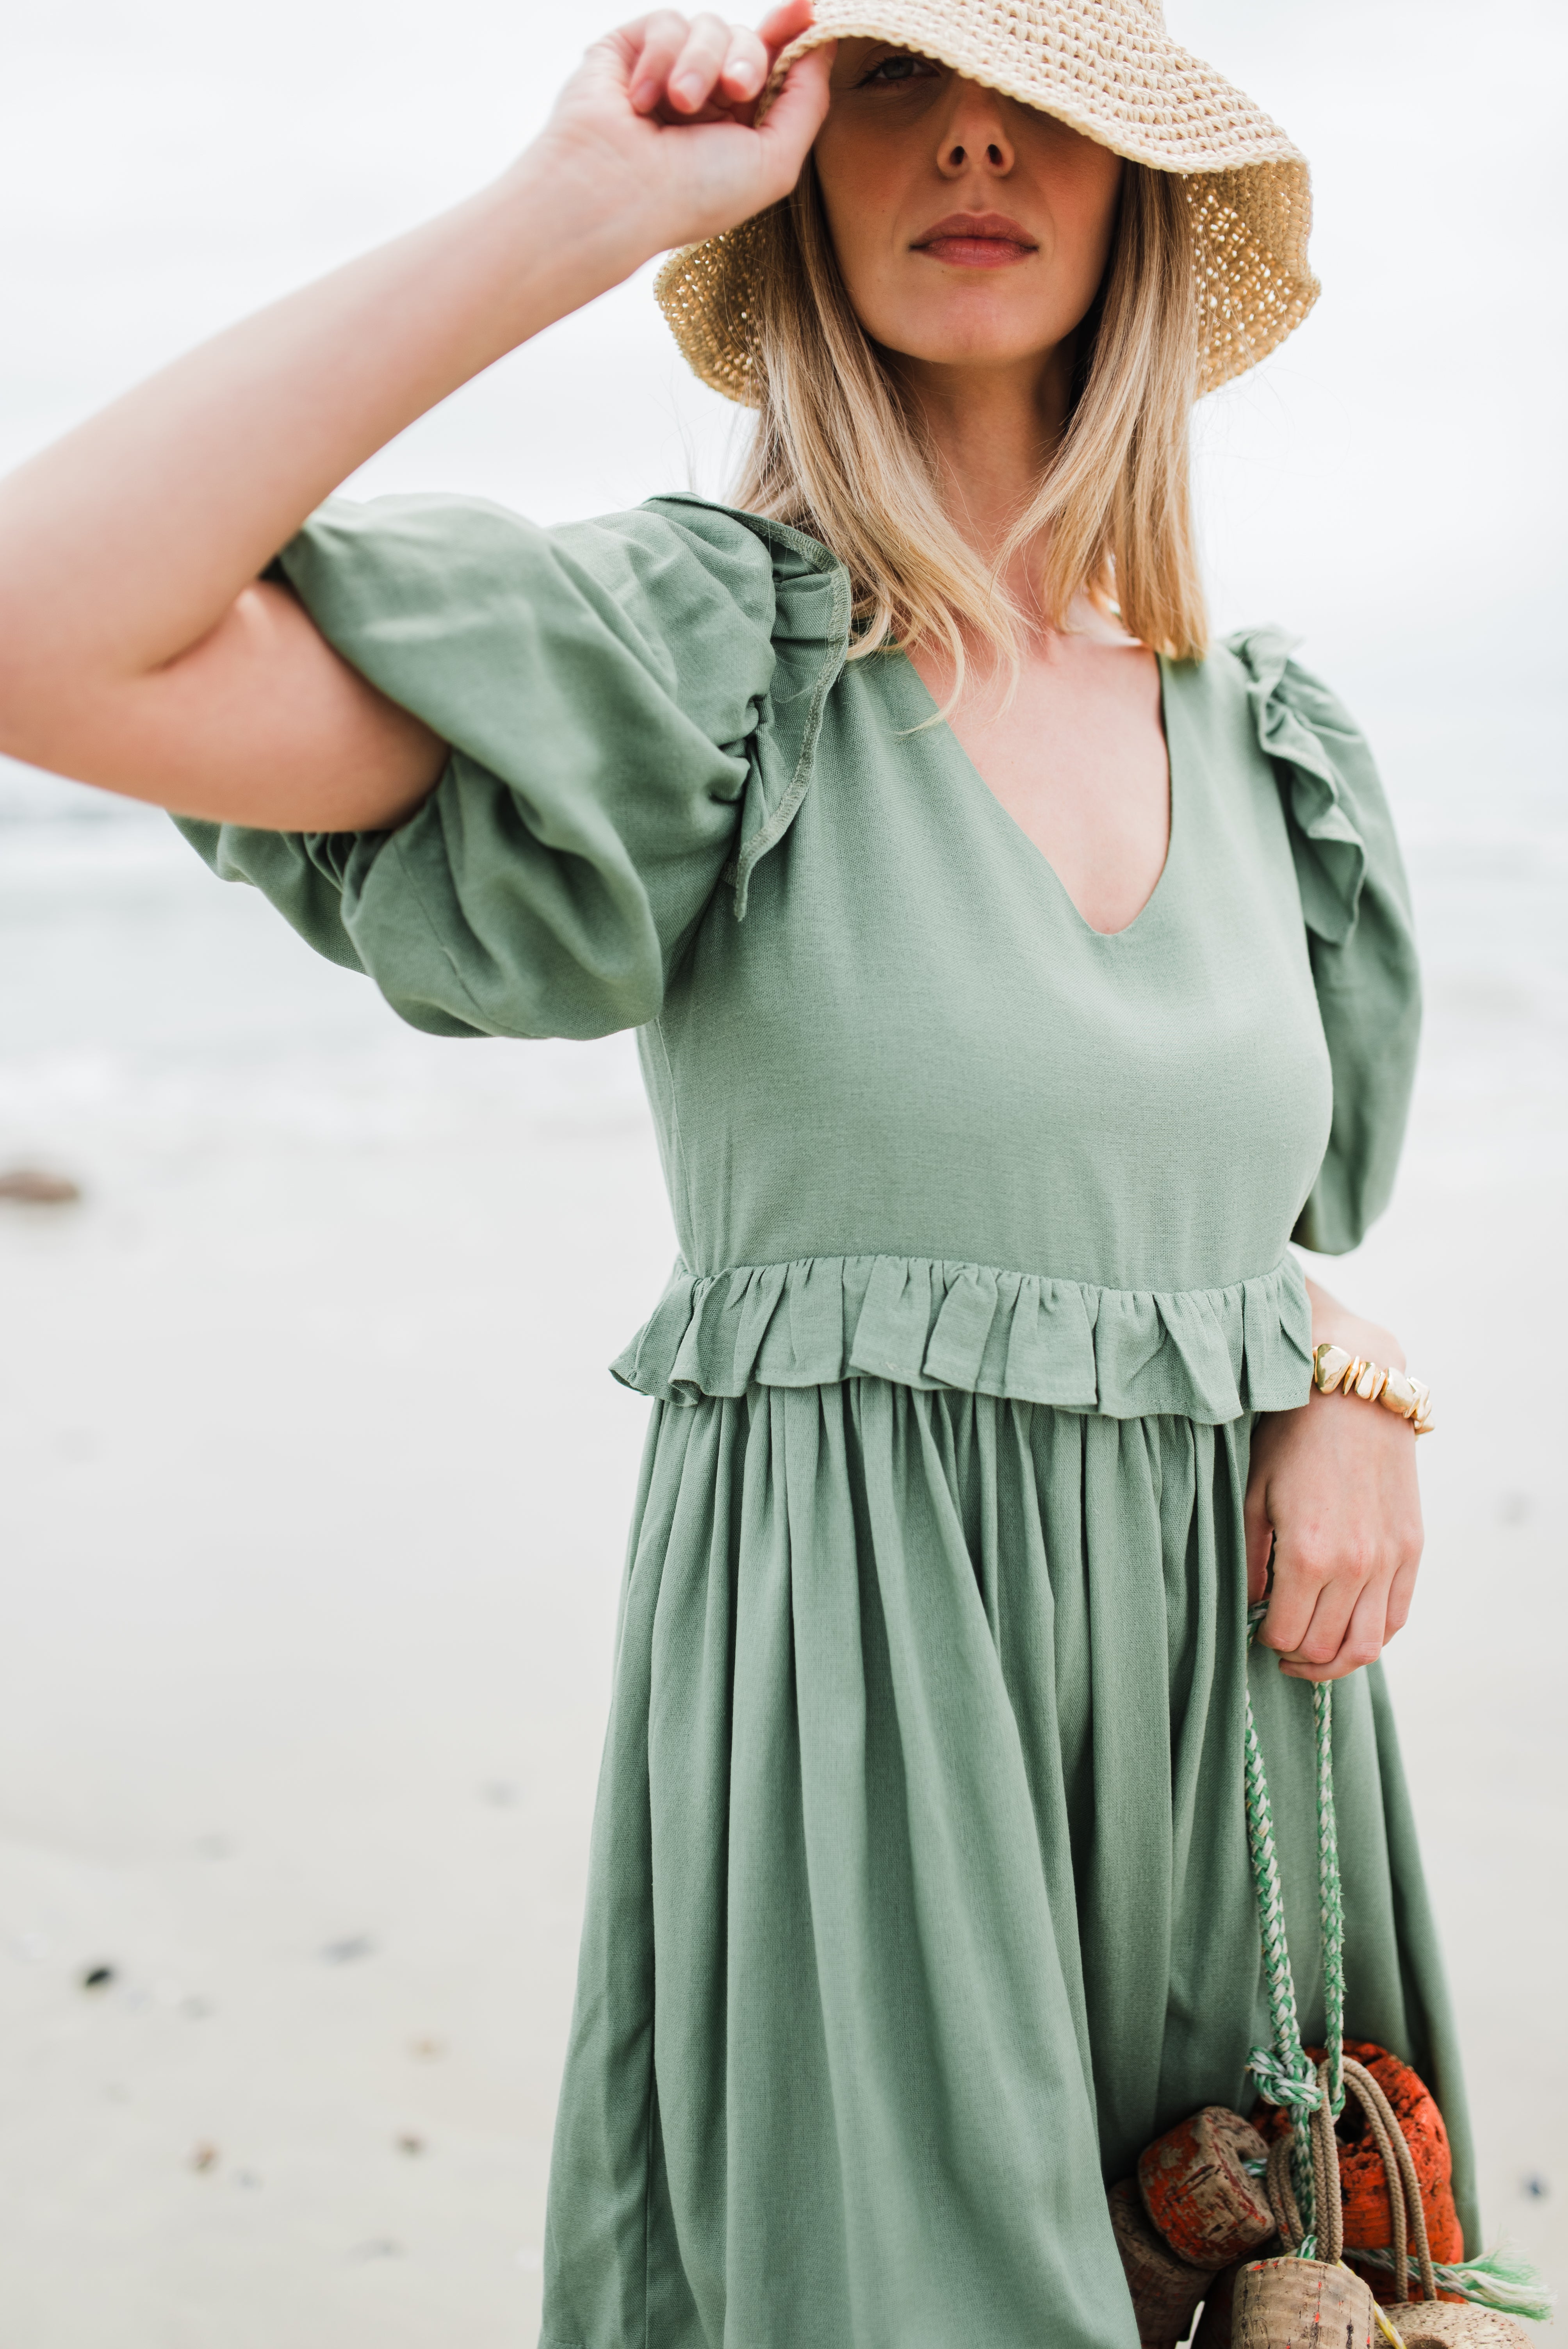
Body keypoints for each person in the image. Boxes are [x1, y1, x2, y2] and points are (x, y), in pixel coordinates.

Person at [0, 0, 1476, 2339]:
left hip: (1243, 1729)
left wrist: (1339, 1363)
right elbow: (38, 622)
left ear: (1137, 184)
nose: (974, 132)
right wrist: (563, 213)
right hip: (872, 1735)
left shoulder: (1275, 739)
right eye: (893, 74)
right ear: (792, 163)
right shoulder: (719, 666)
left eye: (1044, 94)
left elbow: (1198, 1216)